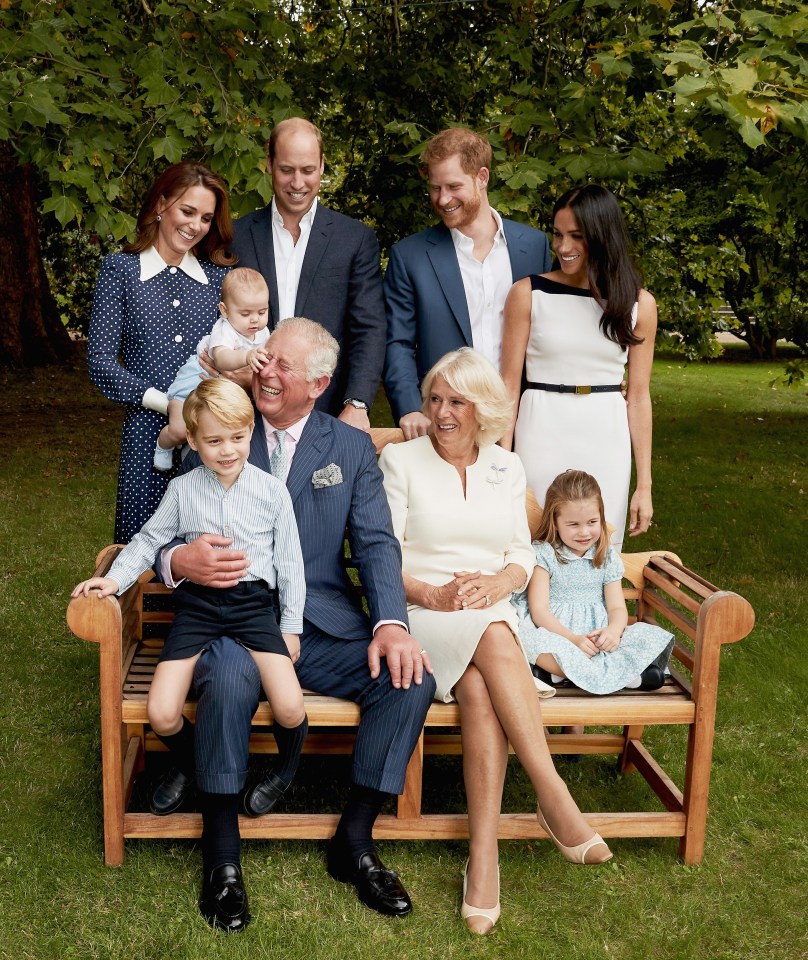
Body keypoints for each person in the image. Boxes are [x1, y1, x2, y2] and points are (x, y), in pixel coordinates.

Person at [156, 317, 436, 932]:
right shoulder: (227, 427)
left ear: (319, 383)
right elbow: (165, 532)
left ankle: (355, 841)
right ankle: (222, 856)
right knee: (228, 677)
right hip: (233, 619)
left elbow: (376, 543)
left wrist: (390, 621)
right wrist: (179, 561)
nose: (266, 370)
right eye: (264, 358)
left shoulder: (349, 448)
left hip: (320, 628)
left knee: (408, 680)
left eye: (282, 364)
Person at [379, 348, 612, 937]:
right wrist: (434, 596)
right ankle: (552, 794)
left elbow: (517, 553)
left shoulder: (506, 467)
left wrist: (500, 583)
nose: (442, 411)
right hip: (424, 609)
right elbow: (385, 555)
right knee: (495, 634)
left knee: (482, 686)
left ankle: (484, 858)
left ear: (481, 408)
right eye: (435, 398)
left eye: (456, 401)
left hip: (491, 609)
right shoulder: (400, 460)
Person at [72, 381, 308, 925]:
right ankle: (193, 762)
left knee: (292, 707)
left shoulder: (272, 491)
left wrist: (290, 627)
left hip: (252, 606)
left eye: (238, 437)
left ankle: (283, 772)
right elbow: (146, 539)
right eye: (214, 440)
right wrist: (111, 582)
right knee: (160, 711)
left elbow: (291, 565)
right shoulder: (183, 489)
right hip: (198, 608)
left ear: (252, 434)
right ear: (194, 442)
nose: (227, 450)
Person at [501, 183, 658, 550]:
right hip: (540, 427)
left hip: (606, 434)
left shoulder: (639, 305)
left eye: (576, 236)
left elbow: (638, 397)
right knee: (534, 541)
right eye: (557, 234)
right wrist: (502, 465)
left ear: (603, 238)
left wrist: (645, 485)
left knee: (599, 549)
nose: (563, 247)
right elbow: (508, 387)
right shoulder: (528, 293)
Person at [88, 161, 236, 544]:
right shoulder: (120, 270)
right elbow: (101, 364)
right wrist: (166, 404)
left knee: (207, 545)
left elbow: (241, 345)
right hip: (145, 434)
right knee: (139, 551)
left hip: (209, 436)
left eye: (205, 217)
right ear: (160, 204)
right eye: (187, 211)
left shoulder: (219, 281)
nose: (195, 225)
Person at [383, 127, 551, 439]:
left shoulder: (534, 246)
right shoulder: (410, 256)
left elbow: (548, 333)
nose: (442, 199)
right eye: (435, 188)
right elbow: (398, 343)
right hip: (442, 422)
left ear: (482, 177)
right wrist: (409, 408)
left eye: (453, 186)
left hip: (521, 421)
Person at [231, 117, 385, 431]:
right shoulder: (236, 236)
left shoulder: (354, 239)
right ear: (270, 164)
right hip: (245, 407)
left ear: (322, 166)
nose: (298, 183)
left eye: (308, 170)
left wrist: (357, 403)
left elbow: (368, 329)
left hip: (326, 409)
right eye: (287, 170)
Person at [514, 469, 673, 694]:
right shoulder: (545, 555)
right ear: (555, 522)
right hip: (557, 634)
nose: (584, 532)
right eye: (573, 525)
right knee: (529, 640)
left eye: (592, 522)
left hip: (597, 635)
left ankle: (558, 675)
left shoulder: (605, 556)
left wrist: (614, 631)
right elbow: (539, 611)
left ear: (601, 517)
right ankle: (628, 678)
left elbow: (617, 607)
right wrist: (572, 639)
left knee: (644, 635)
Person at [154, 268, 271, 469]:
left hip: (221, 393)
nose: (255, 319)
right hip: (192, 384)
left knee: (215, 432)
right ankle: (163, 444)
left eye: (262, 312)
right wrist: (247, 356)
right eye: (245, 313)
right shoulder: (224, 329)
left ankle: (191, 457)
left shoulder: (261, 332)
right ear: (224, 310)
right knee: (179, 429)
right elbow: (222, 359)